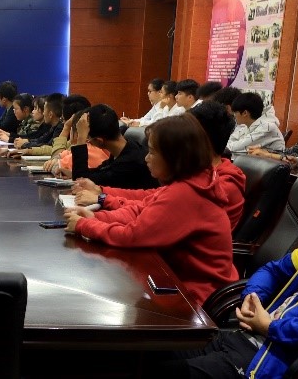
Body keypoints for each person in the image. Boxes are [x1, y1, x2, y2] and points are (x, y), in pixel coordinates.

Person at [150, 145, 298, 378]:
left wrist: (271, 327)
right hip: (251, 338)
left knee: (164, 372)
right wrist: (252, 297)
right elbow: (274, 270)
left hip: (278, 361)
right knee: (150, 351)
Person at [66, 114, 238, 306]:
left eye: (152, 153)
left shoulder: (185, 193)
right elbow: (139, 210)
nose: (146, 158)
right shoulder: (185, 184)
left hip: (196, 300)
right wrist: (97, 217)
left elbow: (133, 236)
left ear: (174, 158)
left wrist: (85, 226)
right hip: (176, 282)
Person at [74, 100, 246, 230]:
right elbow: (151, 198)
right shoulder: (198, 173)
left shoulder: (220, 185)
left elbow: (150, 217)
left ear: (199, 139)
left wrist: (96, 213)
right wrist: (102, 192)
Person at [68, 104, 157, 189]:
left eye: (88, 139)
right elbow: (98, 172)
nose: (88, 142)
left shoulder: (128, 164)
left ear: (99, 141)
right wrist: (71, 173)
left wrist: (81, 139)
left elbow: (81, 180)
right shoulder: (127, 148)